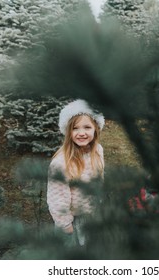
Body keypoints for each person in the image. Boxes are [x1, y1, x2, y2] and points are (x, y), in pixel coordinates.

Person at [47, 99, 105, 246]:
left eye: (87, 127)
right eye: (75, 128)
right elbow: (57, 198)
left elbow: (99, 178)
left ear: (96, 129)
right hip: (73, 221)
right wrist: (65, 225)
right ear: (68, 132)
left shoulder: (97, 150)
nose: (81, 133)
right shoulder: (61, 163)